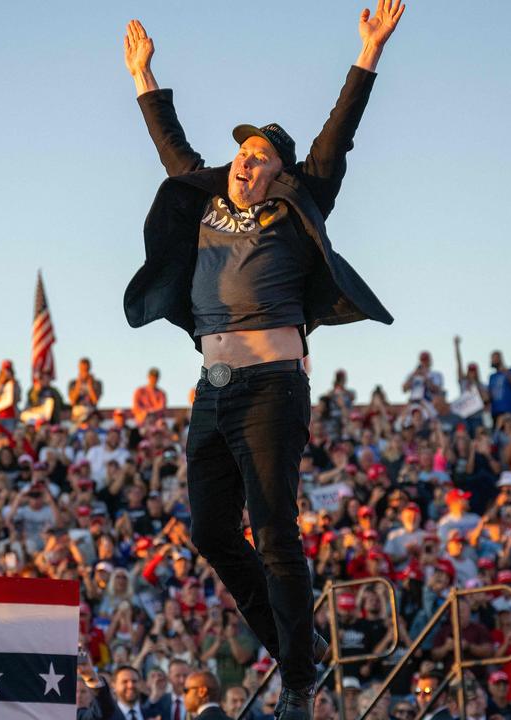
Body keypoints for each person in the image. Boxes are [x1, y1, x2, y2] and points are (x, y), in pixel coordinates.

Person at [121, 5, 404, 716]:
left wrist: (367, 53)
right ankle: (293, 648)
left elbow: (339, 136)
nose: (246, 159)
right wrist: (144, 77)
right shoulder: (208, 197)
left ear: (280, 170)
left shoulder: (298, 202)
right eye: (242, 150)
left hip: (272, 388)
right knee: (211, 531)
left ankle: (302, 685)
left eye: (261, 155)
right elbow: (172, 149)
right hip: (211, 391)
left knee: (274, 530)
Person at [69, 357, 104, 423]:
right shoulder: (73, 383)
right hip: (78, 412)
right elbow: (72, 401)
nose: (84, 371)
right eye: (82, 369)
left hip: (91, 411)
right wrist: (78, 384)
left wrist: (90, 385)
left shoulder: (97, 383)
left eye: (86, 369)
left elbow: (95, 401)